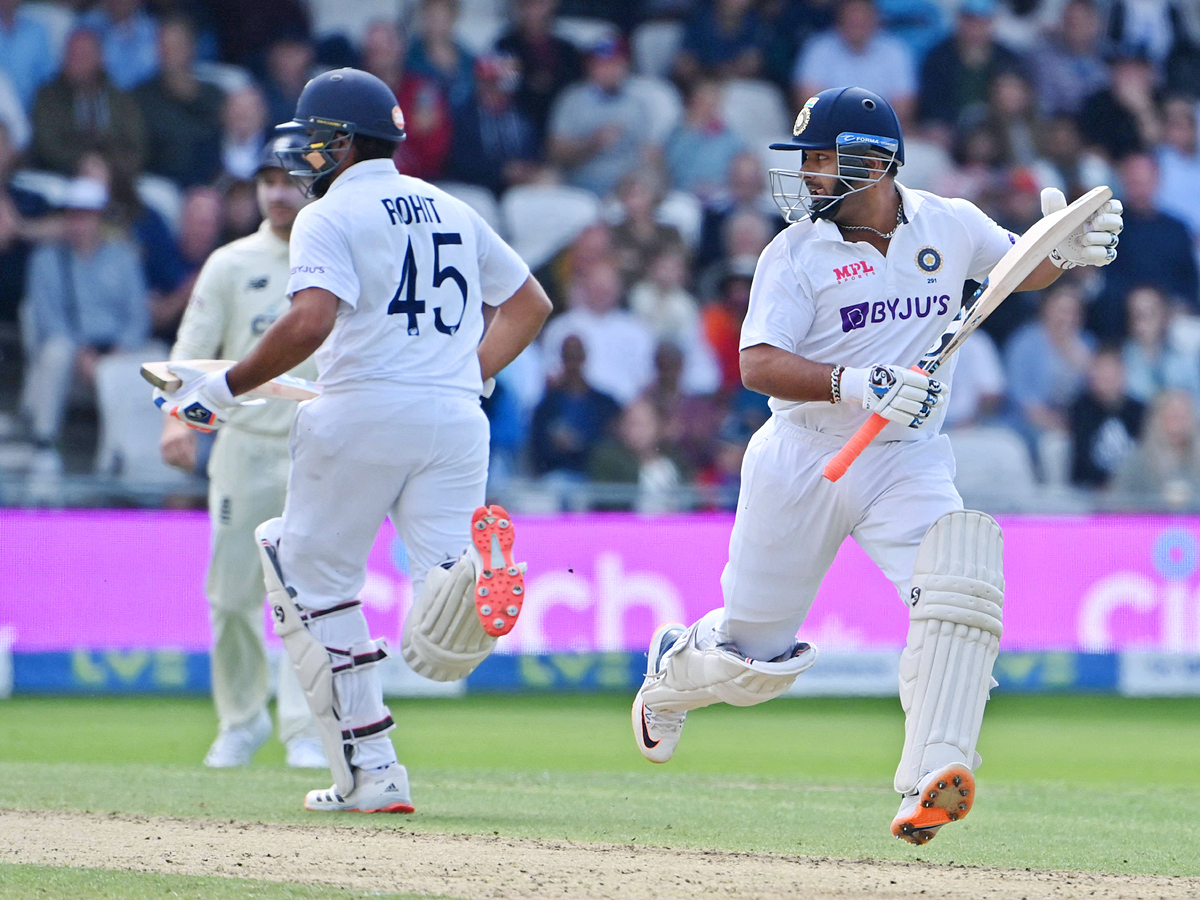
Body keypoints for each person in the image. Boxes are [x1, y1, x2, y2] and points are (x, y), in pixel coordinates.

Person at [630, 86, 1122, 844]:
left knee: (962, 588)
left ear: (875, 161)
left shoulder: (948, 224)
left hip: (906, 457)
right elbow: (755, 362)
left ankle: (931, 778)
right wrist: (854, 384)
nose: (810, 176)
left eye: (823, 159)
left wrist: (1064, 251)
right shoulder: (792, 254)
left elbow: (1016, 272)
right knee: (754, 666)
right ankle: (673, 672)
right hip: (803, 455)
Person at [152, 68, 552, 813]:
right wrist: (469, 371)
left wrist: (222, 389)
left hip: (361, 410)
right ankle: (464, 575)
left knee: (301, 572)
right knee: (437, 590)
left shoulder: (328, 215)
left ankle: (371, 769)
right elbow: (531, 304)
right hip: (458, 418)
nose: (304, 160)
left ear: (341, 143)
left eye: (311, 144)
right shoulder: (452, 207)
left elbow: (308, 322)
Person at [160, 138, 326, 771]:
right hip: (245, 446)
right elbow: (192, 347)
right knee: (231, 596)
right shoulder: (231, 263)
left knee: (309, 595)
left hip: (318, 448)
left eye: (288, 181)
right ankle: (241, 720)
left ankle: (306, 730)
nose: (277, 192)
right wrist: (176, 423)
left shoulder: (333, 255)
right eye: (266, 182)